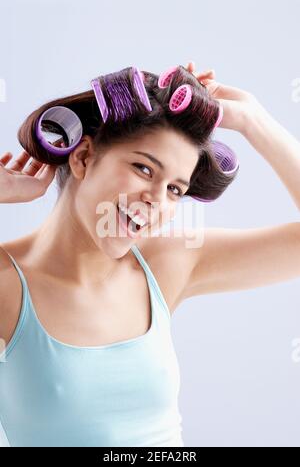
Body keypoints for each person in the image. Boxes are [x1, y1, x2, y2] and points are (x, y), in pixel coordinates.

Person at [1, 63, 300, 447]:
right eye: (144, 168)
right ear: (83, 157)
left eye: (175, 189)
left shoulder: (165, 266)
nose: (157, 201)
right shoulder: (8, 285)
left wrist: (255, 121)